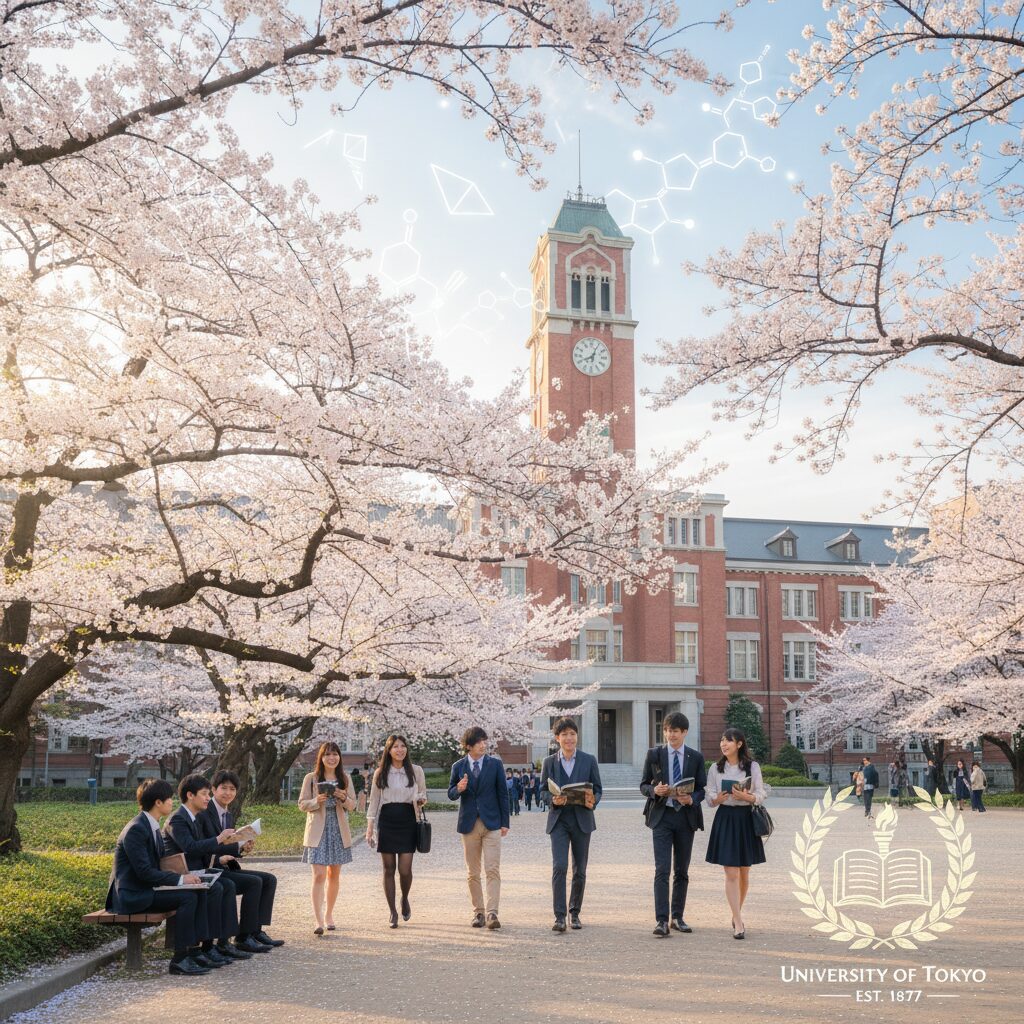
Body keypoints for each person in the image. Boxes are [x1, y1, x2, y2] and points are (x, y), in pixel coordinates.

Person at [106, 778, 211, 976]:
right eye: (169, 799)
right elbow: (144, 872)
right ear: (158, 802)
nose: (173, 803)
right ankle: (179, 959)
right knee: (188, 897)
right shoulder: (136, 829)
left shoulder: (150, 825)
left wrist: (185, 876)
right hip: (132, 896)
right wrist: (180, 881)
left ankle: (195, 951)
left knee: (198, 892)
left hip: (145, 890)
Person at [163, 774, 249, 967]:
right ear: (190, 795)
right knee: (218, 887)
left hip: (195, 872)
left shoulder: (193, 818)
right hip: (179, 875)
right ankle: (204, 947)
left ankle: (216, 943)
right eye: (204, 794)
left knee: (225, 885)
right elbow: (191, 847)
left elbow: (203, 848)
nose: (208, 798)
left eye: (208, 794)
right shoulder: (177, 818)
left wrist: (236, 848)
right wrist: (219, 839)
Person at [639, 711, 706, 937]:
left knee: (682, 870)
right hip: (662, 816)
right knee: (661, 869)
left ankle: (678, 917)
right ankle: (661, 920)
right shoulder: (654, 754)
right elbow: (643, 785)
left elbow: (701, 790)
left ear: (684, 732)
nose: (670, 735)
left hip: (686, 817)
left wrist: (691, 798)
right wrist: (653, 790)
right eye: (666, 730)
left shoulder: (695, 757)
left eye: (675, 731)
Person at [201, 769, 283, 950]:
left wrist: (241, 848)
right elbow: (206, 845)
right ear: (213, 789)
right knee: (253, 882)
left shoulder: (228, 815)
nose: (228, 793)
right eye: (224, 788)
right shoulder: (205, 813)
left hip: (223, 864)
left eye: (232, 789)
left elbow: (226, 844)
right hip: (211, 867)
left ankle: (255, 930)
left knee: (269, 879)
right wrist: (221, 856)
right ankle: (244, 936)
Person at [540, 717, 602, 932]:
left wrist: (593, 799)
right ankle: (559, 916)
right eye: (564, 734)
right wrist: (551, 799)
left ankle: (575, 913)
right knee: (559, 867)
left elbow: (598, 789)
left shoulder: (589, 760)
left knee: (580, 870)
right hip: (558, 821)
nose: (569, 738)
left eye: (572, 734)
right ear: (557, 738)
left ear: (577, 736)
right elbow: (542, 791)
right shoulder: (549, 762)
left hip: (582, 820)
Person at [705, 727, 767, 940]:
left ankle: (735, 913)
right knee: (730, 872)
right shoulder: (715, 767)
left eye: (728, 741)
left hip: (746, 819)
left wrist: (747, 796)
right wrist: (717, 799)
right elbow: (709, 796)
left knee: (744, 872)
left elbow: (761, 794)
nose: (723, 744)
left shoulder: (752, 766)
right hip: (726, 818)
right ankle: (738, 922)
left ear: (739, 744)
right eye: (722, 741)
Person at [447, 725, 510, 929]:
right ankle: (478, 912)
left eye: (485, 741)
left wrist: (505, 822)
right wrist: (459, 788)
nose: (483, 745)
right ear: (468, 746)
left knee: (492, 869)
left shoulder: (495, 765)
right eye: (479, 742)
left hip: (492, 823)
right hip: (469, 824)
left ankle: (492, 913)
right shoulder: (458, 766)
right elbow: (451, 794)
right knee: (473, 872)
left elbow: (502, 793)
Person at [366, 734, 428, 928]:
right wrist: (370, 828)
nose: (400, 750)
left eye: (403, 746)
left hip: (408, 817)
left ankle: (405, 898)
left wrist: (420, 800)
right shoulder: (380, 772)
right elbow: (374, 801)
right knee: (388, 869)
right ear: (389, 750)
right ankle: (392, 911)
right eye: (395, 747)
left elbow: (423, 793)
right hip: (387, 819)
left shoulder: (416, 771)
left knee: (405, 869)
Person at [297, 741, 357, 935]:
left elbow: (353, 805)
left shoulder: (345, 778)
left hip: (338, 829)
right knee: (319, 875)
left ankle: (329, 914)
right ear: (321, 758)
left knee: (334, 874)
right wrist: (316, 800)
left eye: (335, 754)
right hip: (317, 830)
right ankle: (318, 919)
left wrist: (342, 797)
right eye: (327, 754)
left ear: (339, 757)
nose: (332, 758)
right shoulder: (311, 778)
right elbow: (302, 804)